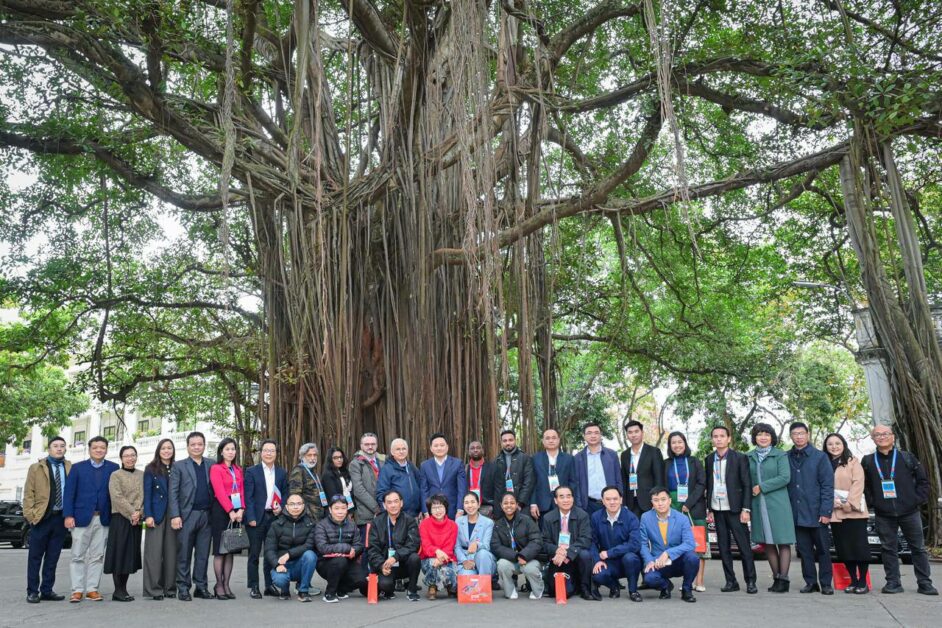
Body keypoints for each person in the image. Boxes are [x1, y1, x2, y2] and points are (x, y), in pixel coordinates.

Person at [862, 424, 937, 595]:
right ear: (873, 439)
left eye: (885, 434)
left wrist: (915, 500)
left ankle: (925, 583)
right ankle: (893, 582)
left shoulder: (907, 458)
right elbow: (865, 486)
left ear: (892, 437)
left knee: (918, 548)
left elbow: (923, 482)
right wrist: (873, 502)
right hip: (883, 514)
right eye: (877, 435)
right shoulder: (868, 461)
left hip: (910, 512)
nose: (882, 437)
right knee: (888, 549)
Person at [63, 435, 119, 603]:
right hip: (80, 518)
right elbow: (69, 493)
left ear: (106, 450)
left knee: (97, 556)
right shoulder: (77, 468)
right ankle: (77, 590)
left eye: (102, 447)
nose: (99, 450)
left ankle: (92, 589)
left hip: (103, 518)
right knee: (77, 555)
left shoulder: (113, 468)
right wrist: (68, 515)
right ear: (89, 449)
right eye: (95, 447)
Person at [704, 425, 756, 594]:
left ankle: (750, 581)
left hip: (735, 509)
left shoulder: (740, 458)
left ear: (729, 438)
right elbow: (709, 485)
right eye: (715, 436)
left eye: (722, 436)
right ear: (712, 439)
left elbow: (747, 484)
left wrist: (746, 509)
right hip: (717, 509)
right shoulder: (709, 459)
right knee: (723, 547)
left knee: (744, 547)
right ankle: (731, 581)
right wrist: (709, 509)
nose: (718, 439)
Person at [747, 423, 796, 593]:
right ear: (755, 437)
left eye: (767, 434)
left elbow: (785, 477)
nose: (763, 437)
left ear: (772, 437)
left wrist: (762, 487)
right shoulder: (749, 456)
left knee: (782, 541)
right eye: (759, 434)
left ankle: (784, 579)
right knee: (766, 542)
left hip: (778, 504)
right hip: (757, 505)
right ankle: (776, 578)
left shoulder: (780, 455)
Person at [787, 421, 834, 595]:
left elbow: (827, 486)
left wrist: (826, 511)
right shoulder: (786, 457)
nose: (799, 437)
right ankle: (811, 582)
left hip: (817, 512)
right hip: (797, 513)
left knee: (823, 550)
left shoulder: (820, 457)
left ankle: (826, 583)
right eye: (795, 434)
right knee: (804, 551)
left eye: (801, 433)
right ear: (791, 436)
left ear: (807, 435)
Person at [23, 435, 71, 604]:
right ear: (49, 449)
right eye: (55, 446)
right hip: (41, 518)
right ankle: (32, 591)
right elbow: (28, 493)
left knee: (52, 557)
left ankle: (47, 590)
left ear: (65, 449)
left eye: (62, 446)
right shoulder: (36, 468)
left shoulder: (70, 467)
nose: (59, 448)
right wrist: (31, 516)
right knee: (35, 557)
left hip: (60, 519)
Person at [168, 431, 215, 601]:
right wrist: (175, 515)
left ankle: (201, 587)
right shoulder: (179, 466)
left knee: (203, 554)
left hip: (207, 516)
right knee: (184, 554)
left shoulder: (212, 464)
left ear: (204, 445)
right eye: (193, 444)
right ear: (187, 447)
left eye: (200, 444)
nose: (196, 447)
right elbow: (173, 492)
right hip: (187, 515)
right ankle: (183, 587)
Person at [824, 433, 870, 594]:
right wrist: (829, 502)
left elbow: (858, 483)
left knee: (859, 548)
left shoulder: (853, 462)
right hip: (835, 513)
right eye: (830, 444)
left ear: (843, 444)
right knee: (844, 549)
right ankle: (853, 580)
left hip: (854, 513)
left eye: (837, 443)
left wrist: (848, 503)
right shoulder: (824, 463)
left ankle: (863, 581)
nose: (834, 447)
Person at [244, 438, 288, 599]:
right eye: (266, 450)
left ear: (276, 453)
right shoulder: (251, 471)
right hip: (257, 518)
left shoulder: (282, 472)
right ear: (261, 452)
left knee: (271, 553)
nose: (269, 453)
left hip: (274, 517)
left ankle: (269, 585)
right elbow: (248, 497)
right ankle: (254, 586)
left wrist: (281, 506)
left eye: (272, 450)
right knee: (254, 554)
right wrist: (250, 517)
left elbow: (286, 493)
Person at [639, 487, 698, 603]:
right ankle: (666, 586)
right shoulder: (645, 517)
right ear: (652, 502)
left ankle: (687, 589)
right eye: (656, 500)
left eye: (663, 499)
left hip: (678, 560)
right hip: (658, 562)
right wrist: (649, 561)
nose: (660, 503)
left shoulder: (682, 518)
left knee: (693, 558)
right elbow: (642, 543)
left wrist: (668, 553)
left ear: (669, 501)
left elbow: (690, 543)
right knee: (649, 579)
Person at [664, 431, 707, 592]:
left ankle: (699, 580)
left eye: (680, 442)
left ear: (685, 443)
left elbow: (701, 484)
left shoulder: (695, 461)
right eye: (673, 442)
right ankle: (687, 579)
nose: (677, 445)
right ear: (670, 446)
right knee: (677, 543)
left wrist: (689, 503)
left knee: (698, 543)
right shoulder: (666, 463)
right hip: (672, 507)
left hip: (695, 506)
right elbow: (663, 486)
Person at [541, 485, 599, 601]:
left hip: (575, 555)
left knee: (585, 555)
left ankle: (585, 587)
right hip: (557, 558)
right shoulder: (548, 517)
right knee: (558, 591)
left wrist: (567, 552)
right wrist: (557, 550)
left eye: (569, 496)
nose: (566, 500)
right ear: (556, 500)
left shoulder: (582, 515)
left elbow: (585, 539)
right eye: (561, 497)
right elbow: (544, 541)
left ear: (573, 498)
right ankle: (573, 584)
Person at [103, 446, 144, 602]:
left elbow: (146, 496)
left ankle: (124, 589)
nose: (130, 458)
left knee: (130, 555)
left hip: (136, 520)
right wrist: (132, 513)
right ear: (121, 458)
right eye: (126, 455)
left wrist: (139, 513)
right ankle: (118, 590)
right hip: (120, 518)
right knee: (119, 553)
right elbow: (117, 497)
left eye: (133, 455)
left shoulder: (142, 474)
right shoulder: (116, 475)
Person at [367, 490, 422, 601]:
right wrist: (381, 565)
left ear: (401, 503)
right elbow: (373, 549)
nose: (393, 505)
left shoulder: (410, 520)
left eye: (396, 501)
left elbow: (413, 544)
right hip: (386, 564)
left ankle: (412, 589)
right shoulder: (377, 522)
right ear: (384, 505)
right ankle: (389, 589)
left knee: (415, 558)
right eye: (389, 502)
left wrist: (395, 557)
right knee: (385, 585)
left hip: (403, 563)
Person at [589, 485, 642, 602]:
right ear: (603, 501)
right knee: (598, 575)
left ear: (621, 500)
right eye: (608, 499)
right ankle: (614, 587)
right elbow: (592, 542)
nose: (612, 502)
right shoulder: (595, 517)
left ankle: (633, 591)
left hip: (627, 560)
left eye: (615, 499)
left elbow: (635, 544)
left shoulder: (631, 517)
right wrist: (597, 560)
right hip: (607, 562)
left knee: (631, 558)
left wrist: (610, 553)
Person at [209, 438, 246, 600]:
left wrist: (241, 509)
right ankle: (218, 585)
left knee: (230, 549)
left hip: (237, 510)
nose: (231, 452)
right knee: (220, 550)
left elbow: (242, 491)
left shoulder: (238, 469)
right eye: (227, 449)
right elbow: (219, 491)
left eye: (233, 449)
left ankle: (226, 584)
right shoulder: (216, 468)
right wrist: (230, 510)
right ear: (221, 452)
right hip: (221, 510)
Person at [265, 493, 318, 602]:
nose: (295, 507)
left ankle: (303, 591)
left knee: (310, 555)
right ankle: (284, 590)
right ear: (286, 506)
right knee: (280, 579)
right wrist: (277, 565)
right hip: (282, 564)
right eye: (292, 504)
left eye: (299, 504)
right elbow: (269, 550)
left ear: (303, 506)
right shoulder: (276, 524)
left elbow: (308, 545)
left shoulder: (310, 524)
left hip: (299, 564)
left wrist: (289, 554)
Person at [142, 438, 177, 600]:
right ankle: (154, 590)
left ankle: (170, 588)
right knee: (154, 553)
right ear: (158, 450)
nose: (166, 451)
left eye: (169, 448)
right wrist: (148, 515)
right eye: (163, 448)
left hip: (174, 514)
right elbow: (147, 494)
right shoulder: (151, 469)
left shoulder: (177, 467)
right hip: (156, 514)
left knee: (172, 553)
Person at [314, 495, 366, 603]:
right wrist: (346, 548)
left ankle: (341, 589)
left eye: (343, 508)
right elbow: (322, 547)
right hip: (326, 563)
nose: (340, 512)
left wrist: (354, 551)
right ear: (330, 509)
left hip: (348, 561)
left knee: (361, 579)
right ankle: (329, 593)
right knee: (340, 561)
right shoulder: (321, 525)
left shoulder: (352, 525)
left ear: (347, 509)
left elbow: (359, 545)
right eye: (336, 508)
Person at [492, 492, 544, 600]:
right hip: (512, 559)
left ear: (516, 505)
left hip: (529, 559)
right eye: (505, 503)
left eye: (512, 503)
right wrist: (516, 556)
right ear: (501, 505)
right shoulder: (498, 524)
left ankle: (538, 589)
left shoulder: (527, 520)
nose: (509, 505)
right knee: (502, 564)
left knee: (530, 569)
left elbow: (536, 541)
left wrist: (524, 555)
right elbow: (496, 546)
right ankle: (510, 590)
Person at [573, 423, 622, 516]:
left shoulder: (611, 455)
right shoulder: (578, 458)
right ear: (584, 436)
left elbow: (618, 479)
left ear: (600, 435)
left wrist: (620, 499)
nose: (593, 436)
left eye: (596, 433)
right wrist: (579, 505)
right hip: (588, 505)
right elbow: (576, 483)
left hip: (611, 503)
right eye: (589, 433)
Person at [418, 494, 459, 599]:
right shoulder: (424, 524)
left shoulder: (453, 525)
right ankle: (432, 586)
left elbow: (450, 547)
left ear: (446, 508)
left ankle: (445, 584)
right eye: (434, 508)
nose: (438, 510)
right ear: (430, 510)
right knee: (433, 563)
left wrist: (441, 558)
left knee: (450, 571)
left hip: (447, 558)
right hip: (429, 559)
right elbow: (426, 546)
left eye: (440, 507)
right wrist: (437, 552)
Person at [620, 420, 664, 518]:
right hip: (631, 503)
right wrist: (624, 503)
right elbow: (624, 480)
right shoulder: (624, 455)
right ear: (627, 435)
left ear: (642, 433)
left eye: (636, 431)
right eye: (630, 432)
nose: (633, 435)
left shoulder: (654, 452)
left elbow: (659, 479)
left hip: (650, 501)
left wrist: (657, 501)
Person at [419, 434, 467, 519]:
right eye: (436, 446)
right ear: (431, 448)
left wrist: (460, 510)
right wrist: (425, 512)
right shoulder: (425, 466)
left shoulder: (457, 463)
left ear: (447, 447)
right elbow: (424, 490)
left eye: (442, 445)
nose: (439, 448)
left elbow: (462, 489)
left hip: (453, 510)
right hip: (432, 510)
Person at [531, 428, 574, 522]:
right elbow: (532, 482)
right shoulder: (535, 458)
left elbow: (573, 481)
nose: (551, 440)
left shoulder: (569, 459)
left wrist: (570, 500)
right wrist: (533, 503)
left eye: (554, 438)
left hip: (564, 503)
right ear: (543, 441)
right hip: (542, 504)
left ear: (558, 440)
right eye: (547, 438)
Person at [491, 430, 536, 518]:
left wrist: (519, 503)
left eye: (510, 440)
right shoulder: (496, 460)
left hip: (522, 505)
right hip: (502, 507)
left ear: (515, 440)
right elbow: (495, 486)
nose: (508, 443)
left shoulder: (525, 458)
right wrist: (501, 505)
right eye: (505, 441)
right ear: (501, 443)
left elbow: (529, 482)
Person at [376, 438, 423, 518]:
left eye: (404, 449)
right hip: (397, 516)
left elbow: (421, 486)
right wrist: (389, 514)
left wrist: (422, 509)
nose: (401, 451)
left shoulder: (411, 466)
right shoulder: (387, 469)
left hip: (415, 515)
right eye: (398, 449)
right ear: (392, 452)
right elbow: (381, 493)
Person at [349, 433, 384, 538]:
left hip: (385, 511)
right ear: (361, 446)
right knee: (367, 544)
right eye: (367, 444)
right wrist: (377, 508)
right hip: (366, 514)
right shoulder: (356, 464)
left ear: (377, 445)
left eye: (373, 444)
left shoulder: (383, 461)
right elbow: (358, 490)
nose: (370, 446)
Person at [455, 492, 496, 575]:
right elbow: (457, 546)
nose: (470, 505)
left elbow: (487, 546)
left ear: (478, 504)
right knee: (466, 575)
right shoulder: (458, 521)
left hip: (483, 560)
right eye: (466, 503)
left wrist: (477, 544)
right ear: (463, 505)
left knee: (483, 554)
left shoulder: (488, 522)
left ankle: (485, 581)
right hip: (465, 559)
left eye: (473, 502)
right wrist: (464, 561)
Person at [289, 443, 328, 522]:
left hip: (318, 514)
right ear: (302, 456)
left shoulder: (312, 470)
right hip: (307, 516)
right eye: (309, 455)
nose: (313, 458)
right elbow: (295, 495)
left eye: (315, 455)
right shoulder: (298, 470)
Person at [465, 440, 497, 518]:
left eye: (478, 448)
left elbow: (497, 489)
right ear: (468, 452)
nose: (475, 450)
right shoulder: (464, 469)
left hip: (487, 507)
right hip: (468, 507)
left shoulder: (492, 467)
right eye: (472, 448)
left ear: (482, 450)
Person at [322, 447, 355, 513]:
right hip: (337, 510)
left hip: (349, 508)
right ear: (330, 459)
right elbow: (334, 496)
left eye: (341, 457)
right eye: (335, 458)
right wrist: (344, 510)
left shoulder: (344, 471)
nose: (339, 460)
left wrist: (351, 510)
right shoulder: (328, 474)